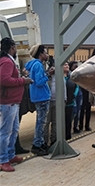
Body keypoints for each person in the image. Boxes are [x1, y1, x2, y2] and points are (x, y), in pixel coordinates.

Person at [0, 37, 32, 172]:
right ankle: (3, 160)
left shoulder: (8, 60)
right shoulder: (7, 61)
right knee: (6, 132)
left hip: (13, 102)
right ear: (11, 48)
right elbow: (4, 80)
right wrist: (22, 81)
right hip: (8, 103)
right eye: (15, 48)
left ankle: (10, 155)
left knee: (14, 130)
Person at [25, 44, 54, 156]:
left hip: (38, 96)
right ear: (41, 54)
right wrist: (48, 74)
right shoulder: (38, 65)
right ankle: (37, 145)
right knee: (41, 123)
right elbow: (39, 82)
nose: (47, 55)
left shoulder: (33, 65)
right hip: (41, 97)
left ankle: (40, 143)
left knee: (41, 122)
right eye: (45, 52)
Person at [68, 61, 82, 134]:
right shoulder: (69, 75)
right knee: (73, 112)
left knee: (77, 112)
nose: (76, 68)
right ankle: (70, 127)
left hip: (78, 94)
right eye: (75, 66)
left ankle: (75, 126)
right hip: (74, 95)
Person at [64, 62, 76, 140]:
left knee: (69, 120)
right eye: (65, 65)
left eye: (67, 64)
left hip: (70, 101)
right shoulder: (59, 77)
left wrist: (74, 94)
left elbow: (77, 86)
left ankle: (68, 135)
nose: (67, 66)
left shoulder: (71, 76)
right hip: (62, 103)